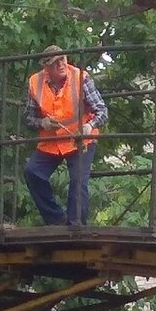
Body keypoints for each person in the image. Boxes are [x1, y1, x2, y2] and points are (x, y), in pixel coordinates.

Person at [23, 45, 108, 226]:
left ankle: (76, 227)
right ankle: (56, 221)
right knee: (32, 172)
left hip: (79, 140)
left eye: (63, 59)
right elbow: (29, 118)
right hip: (51, 142)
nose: (61, 64)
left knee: (78, 182)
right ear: (46, 68)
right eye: (55, 62)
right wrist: (42, 123)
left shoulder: (80, 78)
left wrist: (89, 125)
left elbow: (102, 110)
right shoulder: (35, 82)